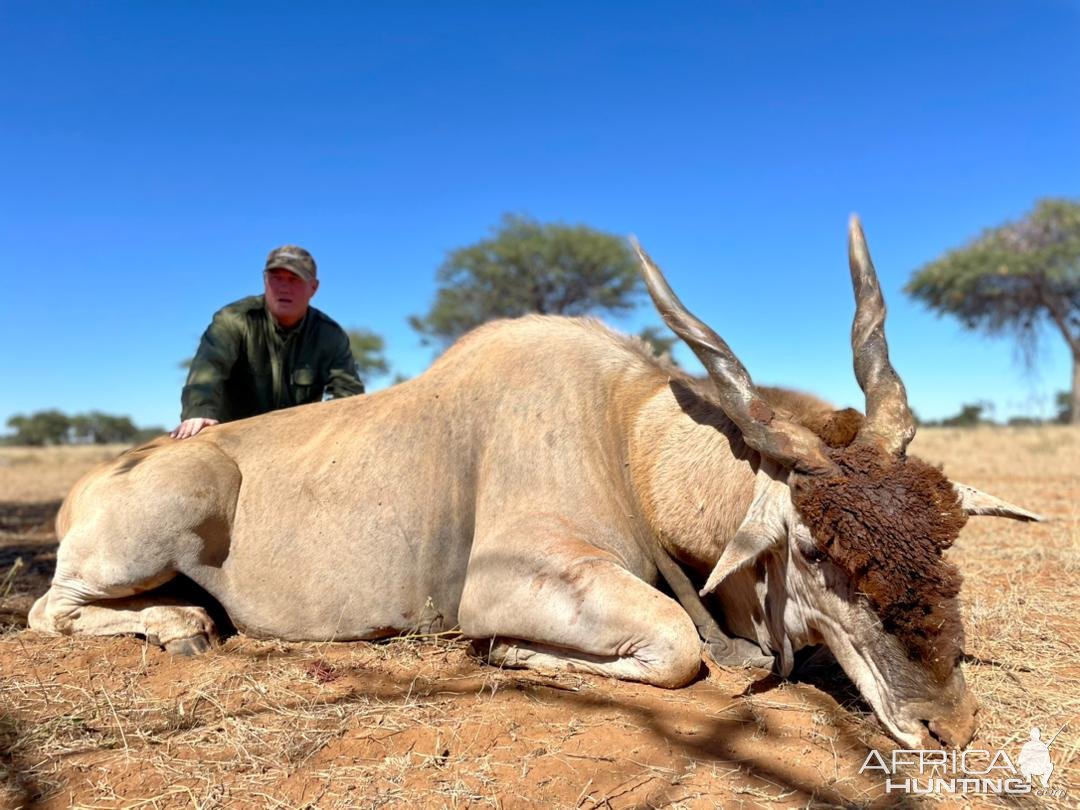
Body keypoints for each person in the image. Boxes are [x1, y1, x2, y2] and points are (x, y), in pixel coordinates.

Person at [172, 245, 365, 439]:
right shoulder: (234, 319)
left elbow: (348, 395)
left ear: (313, 287)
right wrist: (199, 411)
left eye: (294, 279)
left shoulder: (330, 335)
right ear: (265, 280)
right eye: (276, 278)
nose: (283, 287)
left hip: (298, 443)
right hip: (234, 440)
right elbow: (208, 370)